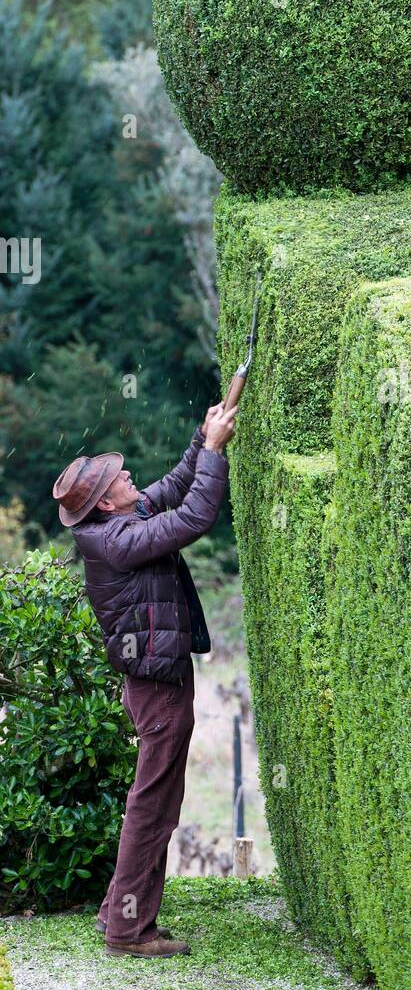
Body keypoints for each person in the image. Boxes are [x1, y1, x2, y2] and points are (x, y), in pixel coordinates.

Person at [51, 402, 236, 957]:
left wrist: (201, 439)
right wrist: (214, 452)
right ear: (106, 502)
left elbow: (175, 488)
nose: (130, 476)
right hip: (157, 686)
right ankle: (128, 931)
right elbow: (193, 518)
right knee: (153, 805)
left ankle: (118, 910)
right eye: (119, 478)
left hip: (157, 680)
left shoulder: (118, 522)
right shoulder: (119, 541)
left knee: (157, 800)